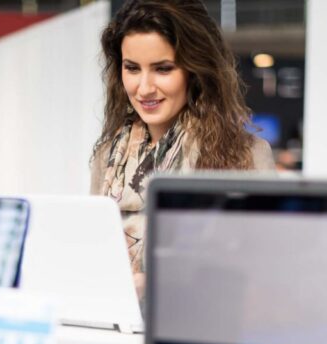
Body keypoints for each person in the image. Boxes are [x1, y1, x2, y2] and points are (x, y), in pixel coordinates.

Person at [89, 0, 274, 296]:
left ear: (195, 69)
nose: (144, 88)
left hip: (198, 330)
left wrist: (155, 285)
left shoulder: (246, 155)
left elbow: (263, 269)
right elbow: (93, 253)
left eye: (163, 69)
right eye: (132, 68)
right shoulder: (107, 157)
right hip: (113, 327)